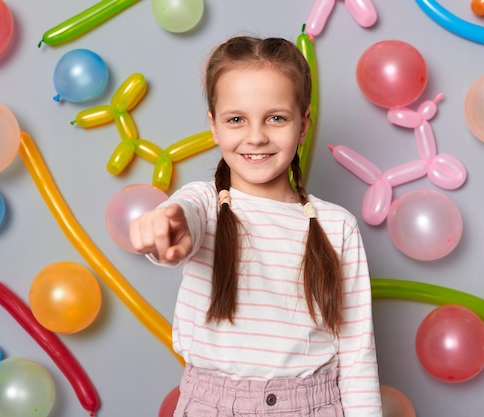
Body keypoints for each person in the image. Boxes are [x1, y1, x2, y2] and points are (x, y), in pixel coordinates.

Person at [129, 35, 382, 417]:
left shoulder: (337, 226)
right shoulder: (204, 205)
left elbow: (357, 357)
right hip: (209, 406)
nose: (256, 136)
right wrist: (166, 226)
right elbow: (184, 216)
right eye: (236, 120)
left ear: (303, 125)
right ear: (214, 126)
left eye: (276, 118)